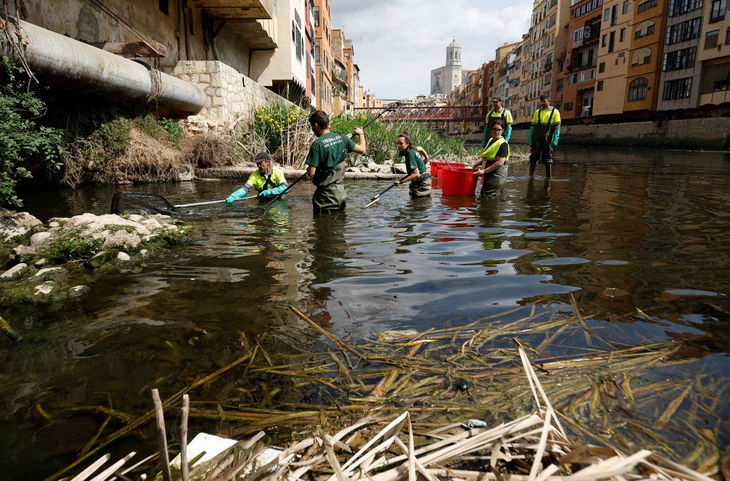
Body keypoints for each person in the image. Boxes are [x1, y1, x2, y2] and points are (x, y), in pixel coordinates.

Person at [305, 110, 366, 214]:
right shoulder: (342, 138)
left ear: (316, 125)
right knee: (339, 225)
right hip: (340, 193)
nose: (312, 129)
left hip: (324, 197)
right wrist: (361, 134)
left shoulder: (317, 144)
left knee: (322, 227)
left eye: (312, 126)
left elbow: (311, 173)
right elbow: (362, 149)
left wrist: (309, 168)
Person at [473, 119, 510, 197]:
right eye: (494, 129)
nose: (496, 132)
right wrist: (480, 163)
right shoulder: (491, 140)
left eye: (498, 130)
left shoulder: (502, 144)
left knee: (487, 196)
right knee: (492, 196)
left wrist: (484, 171)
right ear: (490, 129)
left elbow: (500, 162)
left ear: (502, 131)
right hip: (490, 173)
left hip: (497, 174)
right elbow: (489, 155)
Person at [528, 95, 561, 179]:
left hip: (548, 140)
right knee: (533, 157)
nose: (542, 103)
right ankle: (530, 176)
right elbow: (532, 127)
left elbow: (557, 127)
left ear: (548, 101)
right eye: (541, 101)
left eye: (544, 101)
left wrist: (556, 139)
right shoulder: (537, 112)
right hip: (536, 139)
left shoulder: (555, 112)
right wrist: (530, 138)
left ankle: (548, 178)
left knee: (547, 159)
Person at [393, 131, 431, 198]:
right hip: (425, 180)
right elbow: (421, 148)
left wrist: (401, 182)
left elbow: (416, 174)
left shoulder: (410, 154)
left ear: (407, 143)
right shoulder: (412, 149)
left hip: (422, 183)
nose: (398, 146)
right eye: (397, 143)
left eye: (401, 143)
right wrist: (426, 158)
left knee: (419, 202)